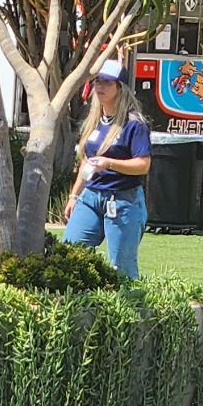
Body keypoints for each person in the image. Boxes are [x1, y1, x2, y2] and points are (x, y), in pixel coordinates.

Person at [62, 59, 151, 277]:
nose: (100, 87)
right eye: (97, 82)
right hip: (91, 197)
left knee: (122, 268)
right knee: (69, 254)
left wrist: (109, 163)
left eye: (107, 83)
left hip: (123, 200)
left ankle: (131, 309)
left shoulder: (134, 124)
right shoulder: (95, 120)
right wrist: (75, 195)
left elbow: (143, 165)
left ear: (120, 88)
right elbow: (87, 159)